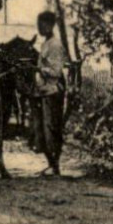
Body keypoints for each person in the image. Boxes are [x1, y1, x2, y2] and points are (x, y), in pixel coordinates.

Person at [33, 10, 67, 176]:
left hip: (53, 90)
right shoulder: (45, 44)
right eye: (38, 25)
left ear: (50, 25)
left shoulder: (55, 45)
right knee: (41, 128)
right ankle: (51, 163)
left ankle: (56, 165)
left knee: (52, 127)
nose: (39, 28)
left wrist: (39, 69)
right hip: (43, 90)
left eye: (42, 25)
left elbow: (56, 71)